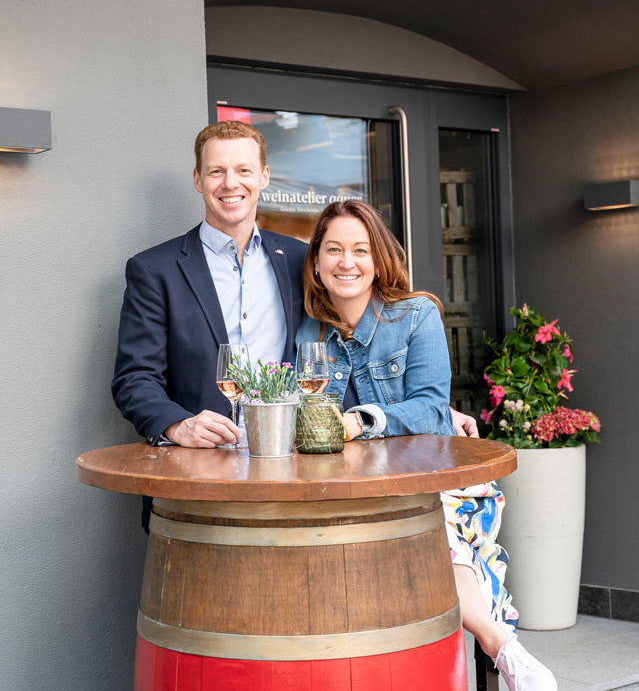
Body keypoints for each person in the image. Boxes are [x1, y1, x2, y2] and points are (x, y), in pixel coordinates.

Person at [296, 199, 558, 691]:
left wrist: (360, 421)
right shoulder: (312, 333)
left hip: (434, 481)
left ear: (378, 260)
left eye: (359, 250)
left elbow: (430, 407)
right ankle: (496, 644)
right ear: (316, 263)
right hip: (359, 493)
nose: (346, 262)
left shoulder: (416, 315)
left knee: (424, 521)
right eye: (333, 250)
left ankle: (496, 641)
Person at [112, 118, 476, 457]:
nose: (230, 183)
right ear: (197, 179)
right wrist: (178, 425)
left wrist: (433, 406)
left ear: (265, 176)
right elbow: (134, 379)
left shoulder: (299, 259)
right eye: (216, 172)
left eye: (243, 170)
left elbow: (346, 346)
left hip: (291, 461)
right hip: (202, 466)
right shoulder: (154, 270)